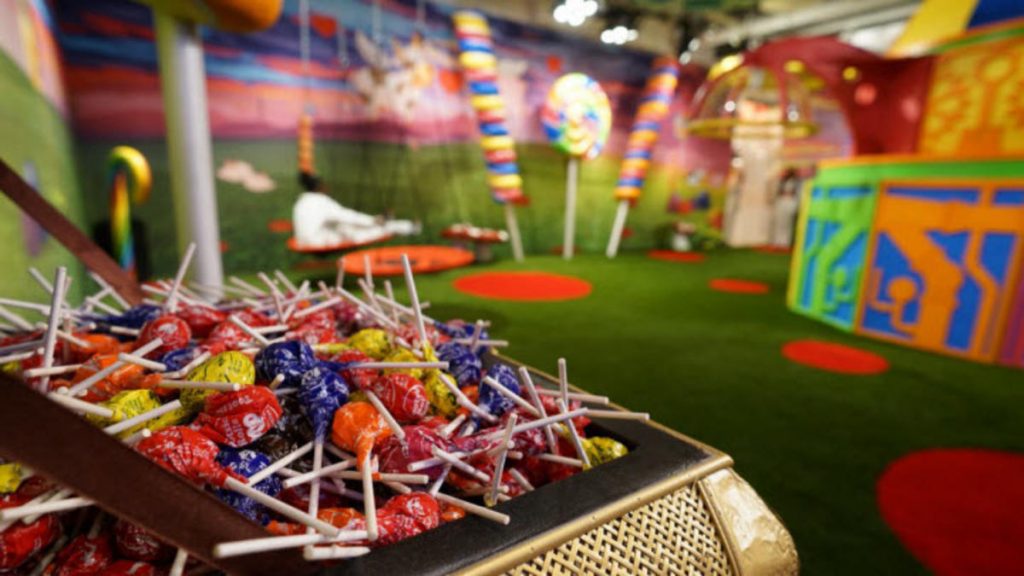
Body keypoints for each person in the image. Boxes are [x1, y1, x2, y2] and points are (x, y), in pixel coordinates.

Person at [292, 171, 419, 249]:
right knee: (376, 229)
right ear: (320, 186)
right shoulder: (321, 201)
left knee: (348, 227)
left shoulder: (301, 202)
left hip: (304, 241)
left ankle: (401, 225)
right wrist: (375, 220)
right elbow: (348, 216)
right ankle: (409, 227)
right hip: (319, 242)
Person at [771, 168, 800, 248]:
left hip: (790, 202)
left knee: (787, 223)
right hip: (781, 202)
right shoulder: (781, 181)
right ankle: (777, 241)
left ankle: (785, 242)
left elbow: (796, 193)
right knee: (779, 222)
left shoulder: (796, 182)